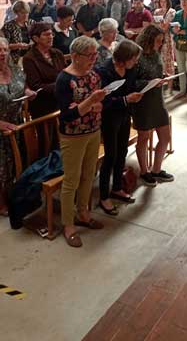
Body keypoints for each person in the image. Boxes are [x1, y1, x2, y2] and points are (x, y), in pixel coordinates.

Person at [55, 36, 106, 247]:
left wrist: (93, 105)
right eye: (90, 55)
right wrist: (91, 102)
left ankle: (83, 213)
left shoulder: (93, 74)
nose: (94, 59)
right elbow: (68, 115)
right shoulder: (64, 79)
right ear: (75, 56)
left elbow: (99, 104)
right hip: (73, 135)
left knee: (89, 175)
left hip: (93, 130)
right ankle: (68, 224)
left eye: (95, 55)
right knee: (71, 181)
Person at [96, 40, 143, 215]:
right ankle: (103, 196)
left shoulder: (130, 69)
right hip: (109, 117)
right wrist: (125, 99)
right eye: (134, 58)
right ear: (124, 57)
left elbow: (131, 87)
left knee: (122, 151)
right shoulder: (104, 71)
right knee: (110, 156)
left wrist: (139, 92)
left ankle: (116, 187)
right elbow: (103, 100)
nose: (136, 62)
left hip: (124, 114)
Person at [133, 26, 174, 185]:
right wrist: (150, 82)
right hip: (143, 101)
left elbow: (156, 72)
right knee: (143, 138)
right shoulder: (137, 56)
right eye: (158, 41)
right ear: (148, 39)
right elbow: (132, 83)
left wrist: (163, 76)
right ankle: (144, 171)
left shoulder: (156, 53)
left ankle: (156, 169)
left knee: (165, 137)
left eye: (161, 41)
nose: (160, 44)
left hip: (157, 99)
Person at [0, 38, 35, 216]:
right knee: (1, 167)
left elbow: (23, 85)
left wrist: (28, 92)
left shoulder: (14, 68)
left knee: (16, 161)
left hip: (16, 123)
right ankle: (1, 203)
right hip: (1, 126)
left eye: (5, 49)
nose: (2, 53)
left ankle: (13, 196)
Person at [22, 21, 65, 121]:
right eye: (46, 35)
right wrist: (61, 84)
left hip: (61, 100)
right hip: (43, 106)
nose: (51, 37)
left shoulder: (57, 53)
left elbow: (65, 73)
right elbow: (36, 86)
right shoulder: (29, 58)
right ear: (35, 38)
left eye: (51, 34)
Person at [153, 0, 176, 91]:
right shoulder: (157, 11)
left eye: (164, 1)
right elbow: (153, 25)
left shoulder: (171, 11)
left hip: (167, 39)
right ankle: (160, 86)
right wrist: (160, 25)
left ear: (168, 2)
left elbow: (165, 28)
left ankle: (170, 87)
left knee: (168, 62)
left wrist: (160, 24)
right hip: (157, 39)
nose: (162, 3)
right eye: (161, 1)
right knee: (158, 62)